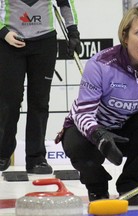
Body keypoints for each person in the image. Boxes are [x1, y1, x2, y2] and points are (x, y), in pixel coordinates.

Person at [57, 6, 138, 206]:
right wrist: (99, 135)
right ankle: (97, 187)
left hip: (126, 131)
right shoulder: (100, 64)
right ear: (125, 37)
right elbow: (82, 113)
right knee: (75, 142)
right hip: (92, 131)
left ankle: (132, 186)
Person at [0, 0, 81, 174]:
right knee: (9, 102)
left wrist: (73, 32)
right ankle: (2, 154)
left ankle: (36, 158)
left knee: (39, 102)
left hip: (44, 42)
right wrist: (3, 31)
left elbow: (65, 4)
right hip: (9, 42)